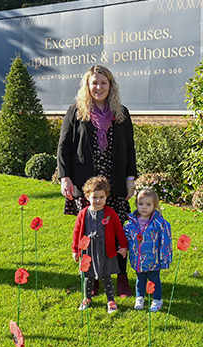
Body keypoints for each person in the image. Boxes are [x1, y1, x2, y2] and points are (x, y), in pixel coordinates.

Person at [58, 65, 137, 297]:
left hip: (115, 184)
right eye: (94, 82)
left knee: (118, 232)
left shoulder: (121, 113)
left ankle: (121, 277)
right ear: (87, 85)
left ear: (110, 86)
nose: (99, 87)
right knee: (89, 234)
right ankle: (91, 279)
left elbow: (130, 148)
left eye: (103, 83)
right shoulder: (76, 111)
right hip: (87, 186)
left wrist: (130, 178)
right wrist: (65, 178)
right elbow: (64, 147)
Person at [70, 176, 128, 314]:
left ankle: (111, 301)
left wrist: (123, 246)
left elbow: (119, 230)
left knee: (106, 276)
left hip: (105, 250)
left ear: (106, 196)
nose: (98, 200)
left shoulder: (110, 213)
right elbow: (77, 232)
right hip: (88, 250)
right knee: (87, 276)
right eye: (94, 197)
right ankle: (87, 298)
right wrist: (75, 250)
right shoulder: (83, 213)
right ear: (87, 197)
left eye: (101, 197)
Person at [124, 188, 172, 312]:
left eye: (148, 204)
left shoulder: (159, 223)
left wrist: (164, 258)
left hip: (153, 259)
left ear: (154, 206)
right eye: (141, 204)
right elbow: (126, 238)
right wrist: (123, 247)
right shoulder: (131, 223)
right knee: (140, 280)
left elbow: (165, 241)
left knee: (154, 280)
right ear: (136, 204)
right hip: (138, 259)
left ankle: (157, 299)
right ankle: (140, 297)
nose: (144, 207)